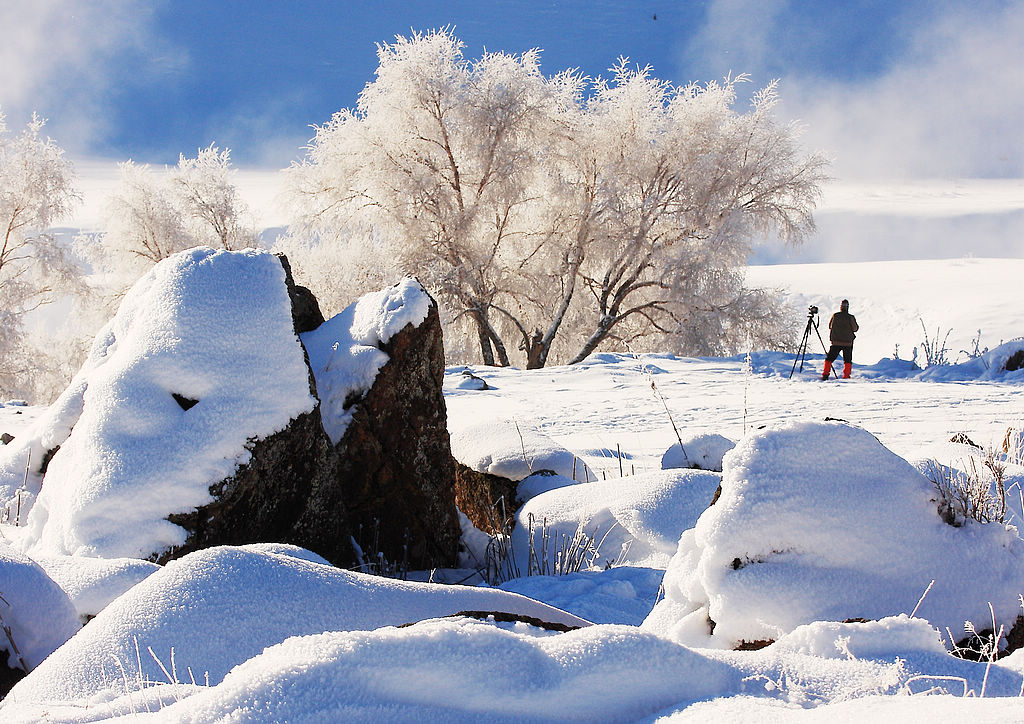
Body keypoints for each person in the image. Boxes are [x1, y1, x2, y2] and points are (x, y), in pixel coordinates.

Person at [822, 299, 858, 379]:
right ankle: (846, 376)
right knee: (847, 360)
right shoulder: (851, 317)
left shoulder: (835, 315)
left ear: (840, 307)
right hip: (848, 343)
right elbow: (855, 328)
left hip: (836, 342)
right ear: (847, 307)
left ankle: (825, 374)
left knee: (829, 358)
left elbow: (830, 326)